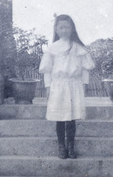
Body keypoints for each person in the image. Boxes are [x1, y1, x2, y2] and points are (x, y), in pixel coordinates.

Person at [39, 14, 94, 159]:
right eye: (61, 27)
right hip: (58, 85)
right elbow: (47, 70)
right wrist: (48, 87)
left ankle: (71, 146)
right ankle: (61, 146)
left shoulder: (78, 48)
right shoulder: (52, 48)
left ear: (72, 29)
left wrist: (85, 85)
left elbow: (85, 69)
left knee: (71, 118)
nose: (64, 30)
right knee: (60, 117)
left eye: (67, 27)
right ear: (56, 29)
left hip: (74, 85)